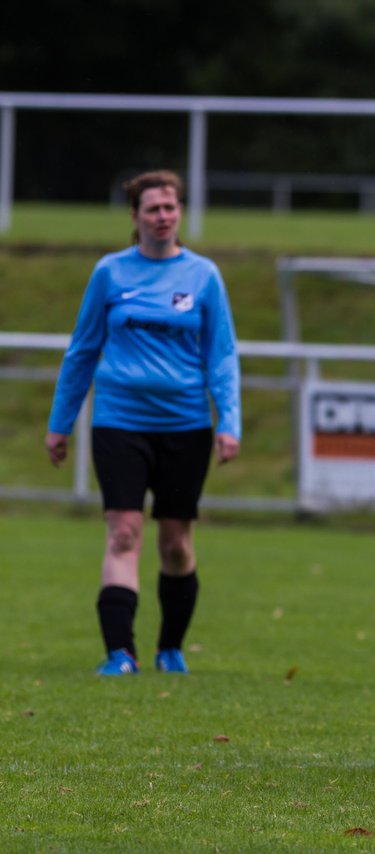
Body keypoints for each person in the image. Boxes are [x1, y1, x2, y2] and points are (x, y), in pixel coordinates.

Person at [45, 170, 241, 677]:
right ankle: (120, 653)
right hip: (118, 422)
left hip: (186, 425)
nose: (163, 216)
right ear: (134, 217)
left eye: (170, 207)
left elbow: (221, 357)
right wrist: (59, 423)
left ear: (180, 213)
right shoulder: (110, 273)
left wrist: (229, 422)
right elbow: (82, 350)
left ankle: (169, 649)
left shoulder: (204, 276)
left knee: (175, 541)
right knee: (124, 531)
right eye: (152, 208)